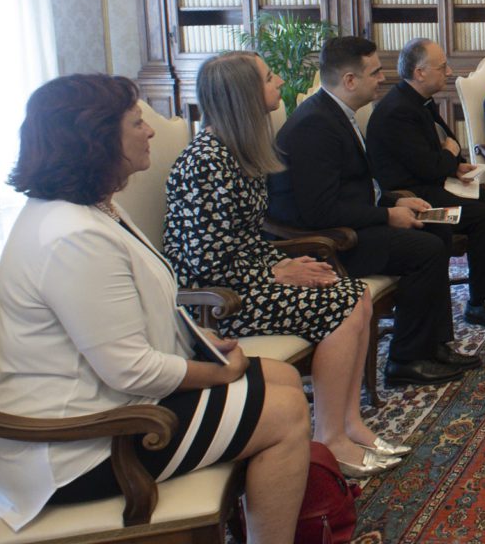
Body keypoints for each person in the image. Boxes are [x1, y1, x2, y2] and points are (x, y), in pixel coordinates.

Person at [0, 74, 308, 542]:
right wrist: (217, 373)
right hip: (74, 445)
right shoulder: (72, 235)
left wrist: (201, 342)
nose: (149, 130)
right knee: (285, 410)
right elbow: (128, 370)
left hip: (105, 406)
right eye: (135, 122)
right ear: (98, 139)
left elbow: (145, 304)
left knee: (284, 378)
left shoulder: (95, 208)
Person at [164, 51, 404, 477]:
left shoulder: (239, 149)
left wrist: (277, 264)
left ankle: (350, 423)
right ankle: (328, 439)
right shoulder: (206, 161)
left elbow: (245, 240)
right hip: (219, 302)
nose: (279, 83)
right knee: (342, 302)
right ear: (244, 95)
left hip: (244, 277)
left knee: (355, 294)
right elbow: (203, 264)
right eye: (269, 77)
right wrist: (272, 270)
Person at [269, 36, 476, 388]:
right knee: (424, 248)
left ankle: (433, 344)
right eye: (375, 72)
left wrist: (394, 202)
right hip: (324, 242)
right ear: (350, 81)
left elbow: (353, 188)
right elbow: (320, 209)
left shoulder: (337, 113)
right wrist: (387, 216)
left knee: (437, 227)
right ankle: (405, 360)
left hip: (349, 221)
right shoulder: (314, 125)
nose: (383, 78)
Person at [366, 38, 485, 328]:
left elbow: (441, 152)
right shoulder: (398, 111)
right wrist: (450, 156)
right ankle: (480, 302)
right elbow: (432, 162)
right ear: (420, 72)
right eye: (442, 66)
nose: (449, 71)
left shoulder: (419, 102)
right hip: (413, 196)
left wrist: (453, 160)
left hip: (435, 183)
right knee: (482, 216)